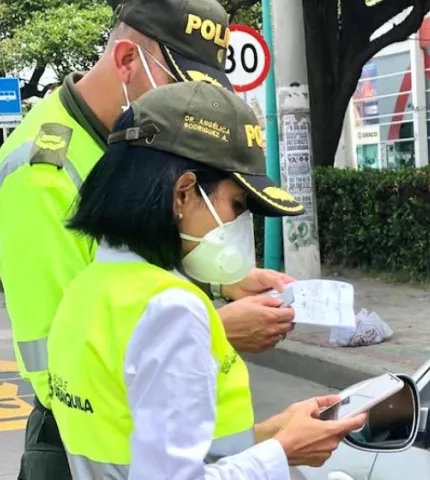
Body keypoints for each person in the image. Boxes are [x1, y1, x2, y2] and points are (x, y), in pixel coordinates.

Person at [0, 1, 298, 477]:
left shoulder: (141, 144)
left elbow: (131, 272)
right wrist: (211, 332)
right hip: (76, 438)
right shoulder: (42, 174)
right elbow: (63, 356)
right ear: (125, 61)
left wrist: (218, 280)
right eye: (179, 83)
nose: (189, 106)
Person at [46, 80, 366, 479]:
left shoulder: (87, 288)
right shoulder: (172, 308)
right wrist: (281, 452)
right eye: (236, 205)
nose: (237, 225)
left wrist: (272, 434)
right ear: (183, 194)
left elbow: (150, 446)